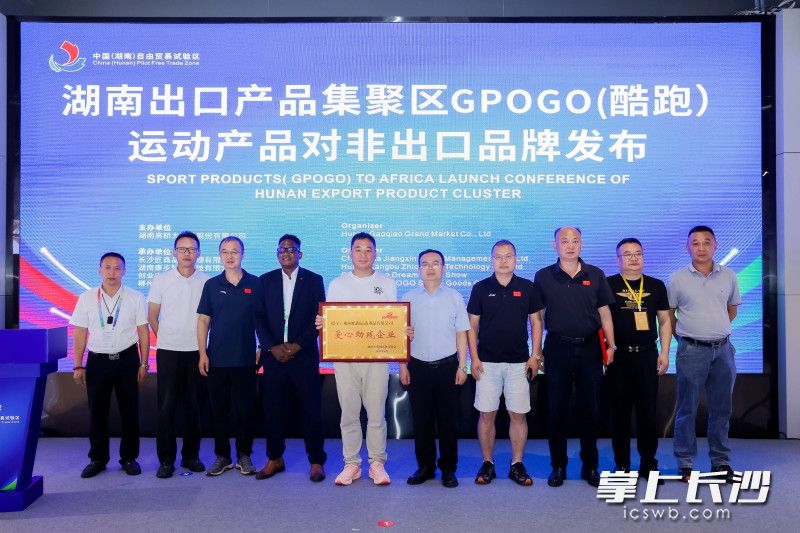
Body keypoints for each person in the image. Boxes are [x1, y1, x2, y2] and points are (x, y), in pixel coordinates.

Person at [532, 226, 616, 488]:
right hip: (557, 348)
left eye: (575, 241)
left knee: (590, 409)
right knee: (556, 411)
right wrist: (536, 351)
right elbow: (537, 318)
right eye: (564, 241)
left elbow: (605, 313)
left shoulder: (596, 274)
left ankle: (590, 466)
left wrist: (611, 345)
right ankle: (558, 466)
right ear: (554, 245)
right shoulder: (543, 276)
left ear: (581, 244)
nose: (570, 246)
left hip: (590, 349)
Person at [320, 232, 397, 486]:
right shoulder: (337, 284)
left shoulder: (387, 283)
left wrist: (402, 329)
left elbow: (393, 319)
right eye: (358, 249)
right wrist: (323, 323)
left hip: (377, 357)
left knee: (376, 414)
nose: (363, 254)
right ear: (350, 253)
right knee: (349, 413)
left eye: (368, 249)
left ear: (375, 253)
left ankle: (377, 464)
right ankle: (351, 463)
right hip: (345, 358)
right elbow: (331, 321)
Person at [668, 225, 741, 482]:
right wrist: (686, 338)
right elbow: (669, 315)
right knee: (687, 409)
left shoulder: (729, 275)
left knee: (721, 409)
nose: (701, 248)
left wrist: (715, 331)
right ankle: (685, 463)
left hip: (723, 351)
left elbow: (731, 309)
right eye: (695, 243)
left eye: (706, 242)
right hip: (691, 350)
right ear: (687, 247)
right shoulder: (677, 278)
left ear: (715, 245)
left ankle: (720, 461)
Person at [467, 239, 541, 487]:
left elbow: (536, 322)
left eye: (508, 256)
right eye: (498, 257)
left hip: (519, 363)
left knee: (518, 415)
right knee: (486, 415)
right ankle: (487, 462)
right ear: (491, 260)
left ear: (515, 260)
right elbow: (472, 325)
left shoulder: (528, 287)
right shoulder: (480, 288)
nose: (503, 261)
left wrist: (535, 356)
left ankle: (516, 464)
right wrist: (474, 358)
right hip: (486, 363)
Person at [255, 234, 327, 482]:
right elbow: (259, 317)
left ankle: (316, 461)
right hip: (273, 357)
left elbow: (318, 318)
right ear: (277, 254)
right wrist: (271, 347)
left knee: (311, 410)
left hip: (303, 355)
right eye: (282, 249)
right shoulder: (265, 281)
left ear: (300, 254)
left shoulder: (314, 280)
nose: (286, 253)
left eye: (291, 249)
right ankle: (275, 458)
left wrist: (297, 345)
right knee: (273, 410)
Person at [70, 252, 149, 478]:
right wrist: (78, 365)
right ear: (99, 270)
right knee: (97, 412)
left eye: (117, 268)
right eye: (107, 267)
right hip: (98, 361)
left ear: (124, 271)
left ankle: (129, 458)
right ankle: (98, 459)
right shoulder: (86, 298)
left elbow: (143, 332)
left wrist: (144, 364)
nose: (112, 272)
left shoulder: (135, 297)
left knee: (130, 411)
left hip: (127, 360)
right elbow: (80, 332)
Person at [400, 249, 470, 488]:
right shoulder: (408, 298)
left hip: (447, 367)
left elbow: (461, 334)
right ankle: (425, 467)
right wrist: (402, 365)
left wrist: (462, 366)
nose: (430, 268)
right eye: (425, 264)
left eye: (435, 263)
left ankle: (448, 469)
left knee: (448, 422)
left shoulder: (454, 297)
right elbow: (400, 336)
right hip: (417, 367)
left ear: (444, 268)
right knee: (422, 421)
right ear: (418, 269)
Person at [197, 236, 263, 477]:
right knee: (219, 411)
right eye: (225, 251)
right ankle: (223, 456)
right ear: (220, 256)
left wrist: (261, 347)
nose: (229, 256)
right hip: (217, 359)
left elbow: (263, 320)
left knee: (245, 410)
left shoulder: (256, 283)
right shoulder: (211, 285)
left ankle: (244, 455)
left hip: (246, 359)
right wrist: (202, 353)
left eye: (234, 251)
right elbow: (203, 321)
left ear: (243, 254)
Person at [606, 238, 671, 479]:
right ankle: (622, 464)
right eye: (627, 254)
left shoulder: (656, 285)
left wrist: (665, 352)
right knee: (619, 413)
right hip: (619, 358)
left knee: (648, 413)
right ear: (618, 259)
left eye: (638, 253)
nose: (633, 258)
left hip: (647, 356)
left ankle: (648, 463)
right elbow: (601, 321)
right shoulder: (608, 285)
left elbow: (665, 320)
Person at [147, 231, 209, 478]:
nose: (187, 253)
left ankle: (191, 456)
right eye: (182, 249)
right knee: (166, 407)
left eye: (192, 249)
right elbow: (152, 316)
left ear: (199, 253)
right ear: (174, 253)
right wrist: (165, 337)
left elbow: (209, 318)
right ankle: (166, 460)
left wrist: (203, 348)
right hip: (169, 352)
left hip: (197, 352)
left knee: (195, 407)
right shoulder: (161, 279)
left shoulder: (207, 281)